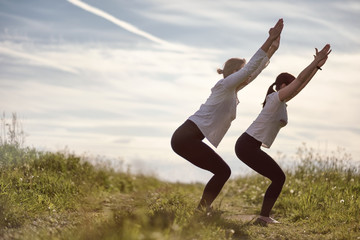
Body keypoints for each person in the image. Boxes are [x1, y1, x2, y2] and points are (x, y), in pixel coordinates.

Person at [171, 19, 284, 212]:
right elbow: (249, 69)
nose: (244, 74)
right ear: (233, 73)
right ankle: (201, 211)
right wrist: (268, 40)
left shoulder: (231, 92)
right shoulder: (224, 86)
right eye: (241, 71)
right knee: (223, 171)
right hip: (185, 137)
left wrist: (272, 49)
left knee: (222, 171)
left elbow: (253, 73)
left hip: (187, 138)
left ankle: (201, 210)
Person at [234, 44, 332, 225]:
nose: (295, 89)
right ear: (283, 86)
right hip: (246, 145)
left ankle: (264, 216)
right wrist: (314, 62)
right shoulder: (275, 98)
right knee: (279, 177)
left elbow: (301, 85)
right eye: (291, 85)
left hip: (247, 145)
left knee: (278, 177)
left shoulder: (280, 102)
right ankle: (263, 217)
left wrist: (317, 68)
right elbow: (300, 81)